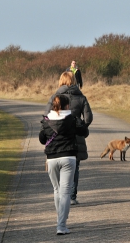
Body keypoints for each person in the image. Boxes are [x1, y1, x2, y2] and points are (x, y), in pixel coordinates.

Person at [39, 95, 89, 235]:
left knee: (57, 190)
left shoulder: (47, 120)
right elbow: (84, 132)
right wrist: (79, 122)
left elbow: (42, 139)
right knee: (65, 192)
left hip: (52, 159)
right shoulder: (72, 119)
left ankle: (60, 219)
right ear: (67, 106)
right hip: (68, 157)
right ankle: (61, 225)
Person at [44, 72, 93, 205]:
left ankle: (60, 193)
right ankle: (71, 196)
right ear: (74, 81)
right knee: (74, 167)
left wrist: (55, 129)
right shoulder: (81, 97)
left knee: (59, 166)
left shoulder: (55, 97)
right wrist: (80, 127)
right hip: (75, 138)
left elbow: (46, 116)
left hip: (57, 137)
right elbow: (88, 118)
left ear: (61, 81)